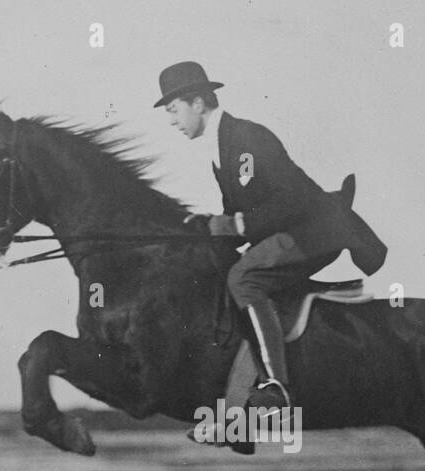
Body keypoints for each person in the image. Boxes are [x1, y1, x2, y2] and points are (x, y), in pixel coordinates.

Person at [155, 61, 387, 414]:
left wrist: (231, 226)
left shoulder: (247, 136)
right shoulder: (219, 149)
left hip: (312, 233)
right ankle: (239, 404)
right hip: (294, 231)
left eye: (174, 110)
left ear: (198, 103)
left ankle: (277, 387)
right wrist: (195, 234)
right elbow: (237, 217)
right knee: (225, 271)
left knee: (243, 277)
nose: (172, 120)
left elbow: (292, 200)